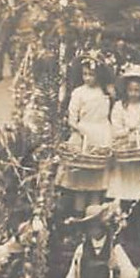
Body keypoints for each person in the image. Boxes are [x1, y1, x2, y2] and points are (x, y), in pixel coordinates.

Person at [58, 55, 113, 214]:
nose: (88, 78)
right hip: (83, 136)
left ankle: (94, 213)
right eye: (85, 74)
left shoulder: (105, 92)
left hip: (102, 134)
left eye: (91, 74)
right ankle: (78, 213)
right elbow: (72, 118)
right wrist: (81, 130)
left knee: (97, 179)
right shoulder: (78, 93)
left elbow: (108, 114)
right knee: (81, 178)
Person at [107, 65, 140, 205]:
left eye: (137, 90)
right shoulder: (119, 106)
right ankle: (123, 205)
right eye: (130, 90)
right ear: (126, 90)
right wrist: (128, 130)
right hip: (124, 147)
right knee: (124, 180)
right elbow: (115, 130)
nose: (133, 94)